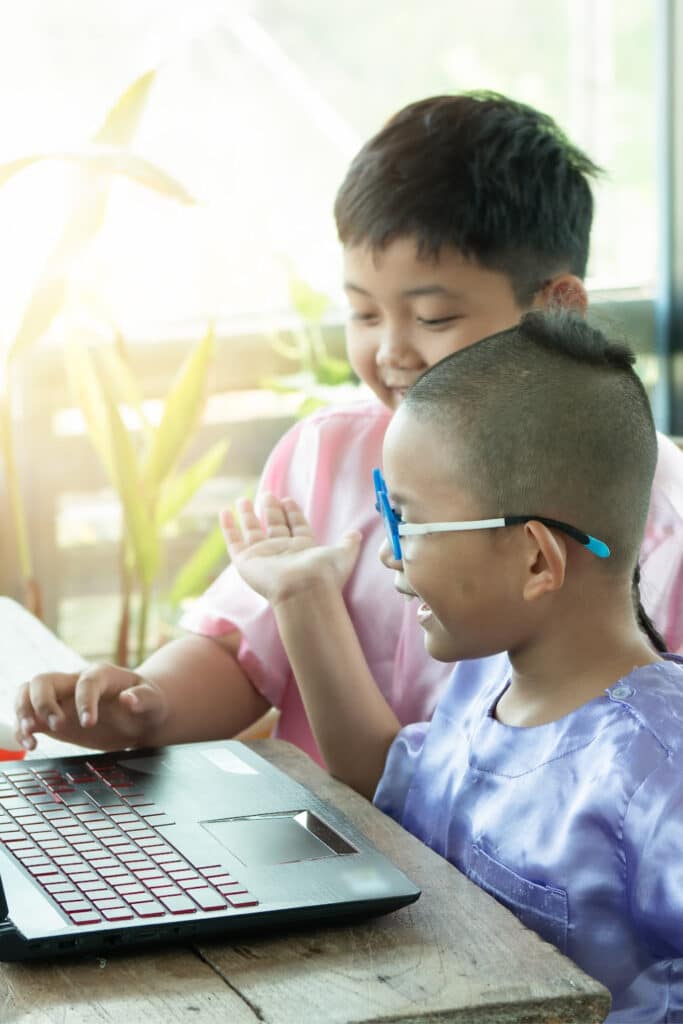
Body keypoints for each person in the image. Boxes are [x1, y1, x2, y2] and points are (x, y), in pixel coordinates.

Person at [14, 93, 683, 762]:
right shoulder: (325, 454)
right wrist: (143, 705)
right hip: (319, 846)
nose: (390, 351)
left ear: (554, 306)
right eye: (363, 314)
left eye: (433, 319)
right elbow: (241, 653)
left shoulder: (649, 507)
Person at [221, 310, 683, 1022]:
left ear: (534, 558)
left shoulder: (659, 768)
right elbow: (386, 779)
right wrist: (302, 591)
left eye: (407, 521)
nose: (388, 551)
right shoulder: (484, 682)